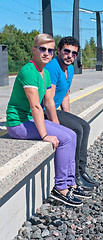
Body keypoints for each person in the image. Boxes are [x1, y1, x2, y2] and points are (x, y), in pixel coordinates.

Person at [6, 33, 91, 207]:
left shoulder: (44, 72)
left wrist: (56, 125)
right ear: (34, 50)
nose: (46, 53)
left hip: (30, 120)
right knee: (65, 139)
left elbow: (50, 100)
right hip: (18, 123)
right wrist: (45, 135)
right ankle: (60, 189)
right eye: (42, 49)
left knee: (72, 135)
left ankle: (71, 183)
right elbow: (36, 106)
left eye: (50, 50)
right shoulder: (28, 71)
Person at [45, 36, 99, 191]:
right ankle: (74, 176)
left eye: (74, 53)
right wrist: (59, 125)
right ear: (59, 51)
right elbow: (48, 102)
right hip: (45, 112)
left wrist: (69, 117)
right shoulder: (52, 68)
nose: (70, 56)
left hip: (54, 110)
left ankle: (81, 171)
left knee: (85, 126)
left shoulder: (69, 68)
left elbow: (66, 95)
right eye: (66, 51)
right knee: (76, 129)